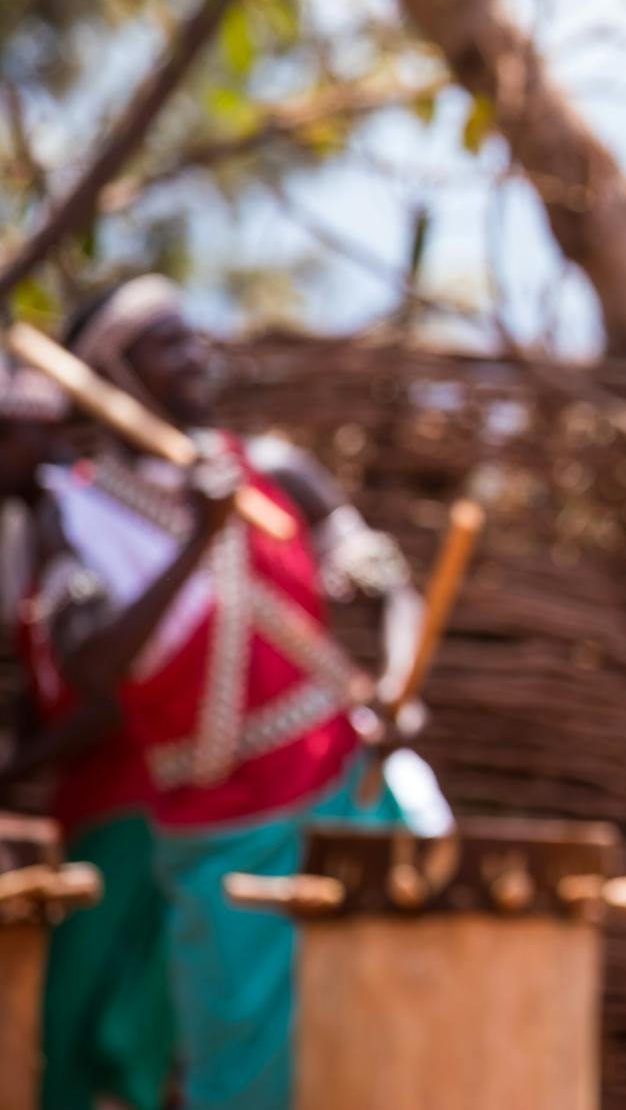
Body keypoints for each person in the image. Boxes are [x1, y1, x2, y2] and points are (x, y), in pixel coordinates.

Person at [38, 275, 421, 1110]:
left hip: (351, 790)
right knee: (245, 1073)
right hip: (221, 833)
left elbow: (390, 585)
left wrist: (396, 684)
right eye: (167, 342)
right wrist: (198, 541)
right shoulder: (75, 513)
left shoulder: (273, 468)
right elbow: (92, 668)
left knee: (389, 1037)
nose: (195, 353)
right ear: (113, 372)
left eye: (193, 334)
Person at [0, 356, 179, 1110]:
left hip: (130, 809)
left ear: (36, 434)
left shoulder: (76, 521)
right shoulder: (36, 535)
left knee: (92, 1031)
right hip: (93, 811)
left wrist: (13, 771)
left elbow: (106, 696)